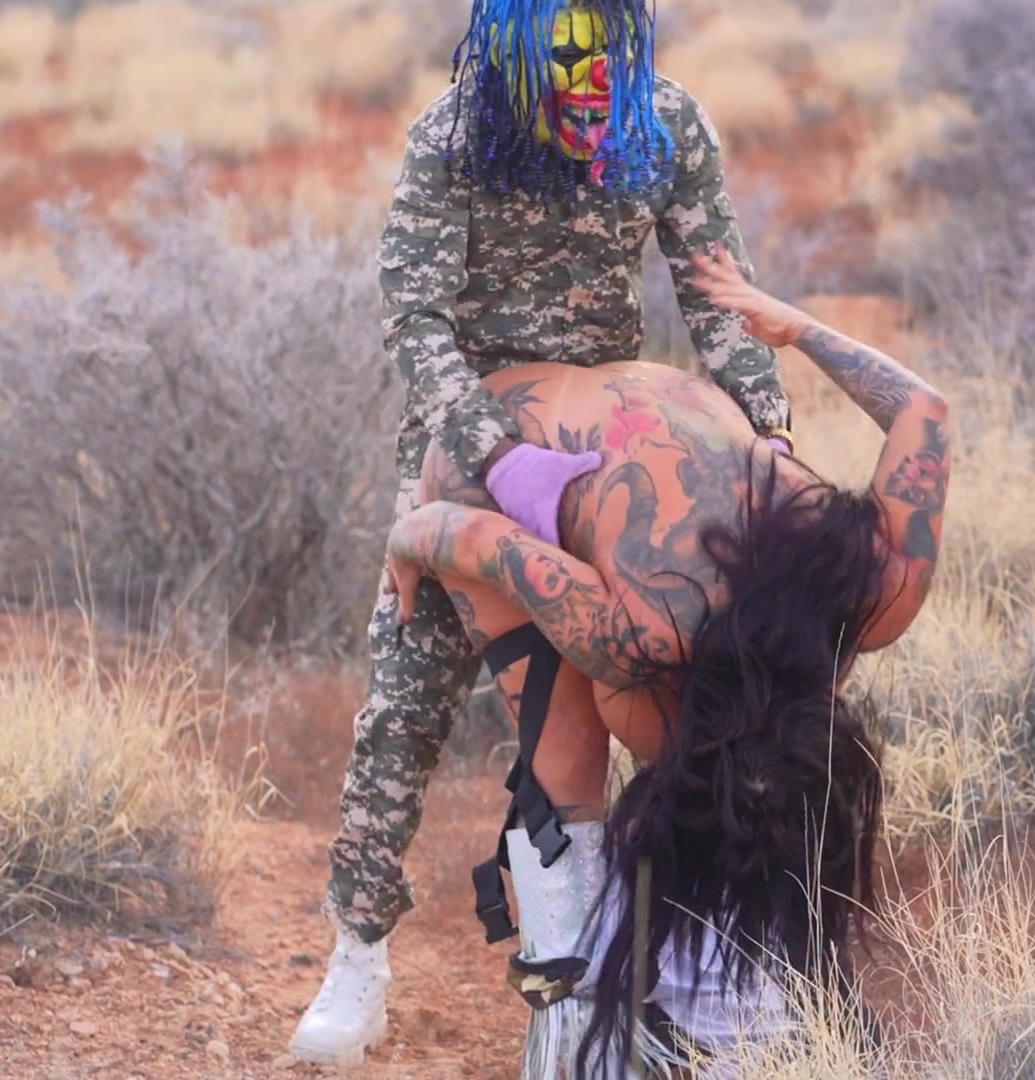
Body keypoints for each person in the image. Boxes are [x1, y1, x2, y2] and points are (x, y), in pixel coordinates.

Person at [291, 0, 796, 1064]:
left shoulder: (663, 123)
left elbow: (718, 299)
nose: (588, 90)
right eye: (562, 67)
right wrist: (497, 459)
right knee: (406, 700)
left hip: (610, 460)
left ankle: (658, 971)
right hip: (468, 458)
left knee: (671, 695)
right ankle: (358, 951)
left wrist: (767, 433)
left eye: (605, 64)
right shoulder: (453, 136)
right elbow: (416, 322)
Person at [379, 249, 953, 1076]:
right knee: (568, 757)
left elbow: (923, 410)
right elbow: (471, 535)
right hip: (494, 451)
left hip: (668, 414)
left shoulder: (880, 585)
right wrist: (406, 535)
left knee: (642, 737)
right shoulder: (633, 634)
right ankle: (574, 1031)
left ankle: (711, 1001)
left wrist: (795, 328)